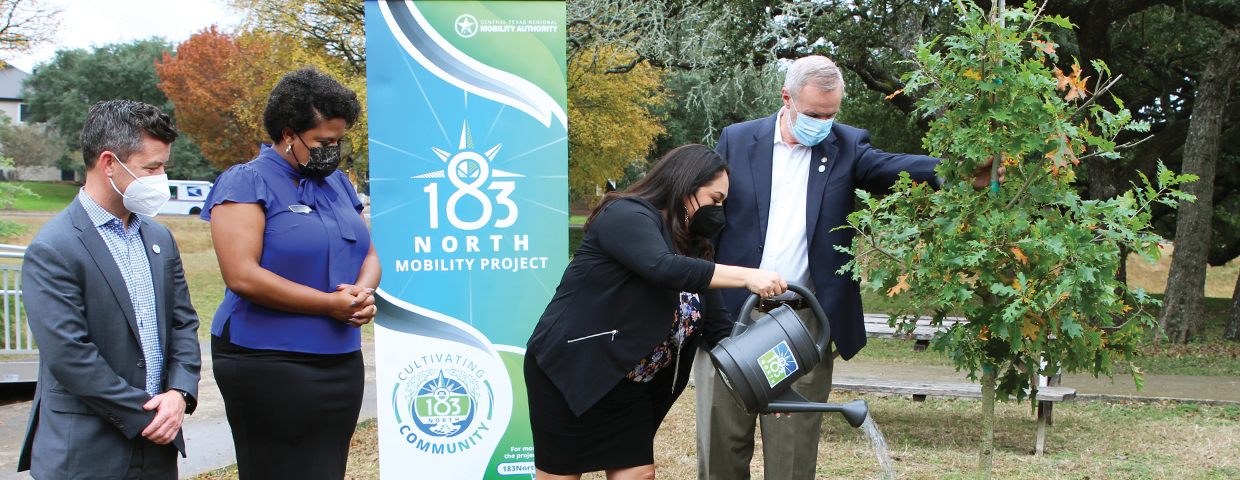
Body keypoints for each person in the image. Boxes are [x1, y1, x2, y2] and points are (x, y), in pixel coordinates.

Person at [695, 55, 1001, 480]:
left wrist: (961, 172)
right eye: (814, 114)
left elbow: (895, 168)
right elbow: (702, 222)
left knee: (792, 458)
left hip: (799, 329)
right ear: (786, 99)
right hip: (730, 320)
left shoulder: (847, 146)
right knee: (720, 454)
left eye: (832, 113)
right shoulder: (735, 140)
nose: (823, 123)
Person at [525, 144, 788, 480]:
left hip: (631, 384)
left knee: (639, 475)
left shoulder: (696, 250)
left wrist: (772, 383)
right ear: (684, 188)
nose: (720, 209)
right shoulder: (626, 215)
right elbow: (661, 267)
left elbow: (722, 332)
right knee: (562, 477)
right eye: (715, 198)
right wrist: (747, 276)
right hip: (573, 370)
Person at [201, 66, 380, 480]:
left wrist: (361, 295)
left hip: (339, 359)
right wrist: (328, 305)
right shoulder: (247, 182)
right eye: (323, 141)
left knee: (325, 468)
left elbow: (369, 253)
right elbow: (242, 275)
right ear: (288, 133)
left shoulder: (338, 184)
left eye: (338, 141)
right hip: (268, 359)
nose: (333, 150)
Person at [17, 100, 202, 479]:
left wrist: (179, 394)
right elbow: (69, 355)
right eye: (151, 168)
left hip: (158, 448)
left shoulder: (159, 238)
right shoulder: (54, 247)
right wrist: (147, 413)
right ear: (108, 163)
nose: (161, 177)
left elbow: (183, 324)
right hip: (86, 453)